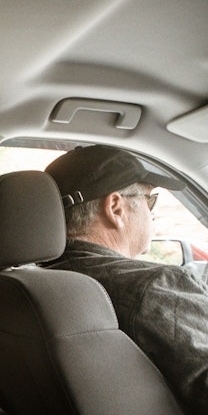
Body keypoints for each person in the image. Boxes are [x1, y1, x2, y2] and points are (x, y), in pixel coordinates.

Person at [42, 144, 208, 414]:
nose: (152, 212)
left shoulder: (37, 279)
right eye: (149, 199)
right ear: (116, 208)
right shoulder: (155, 286)